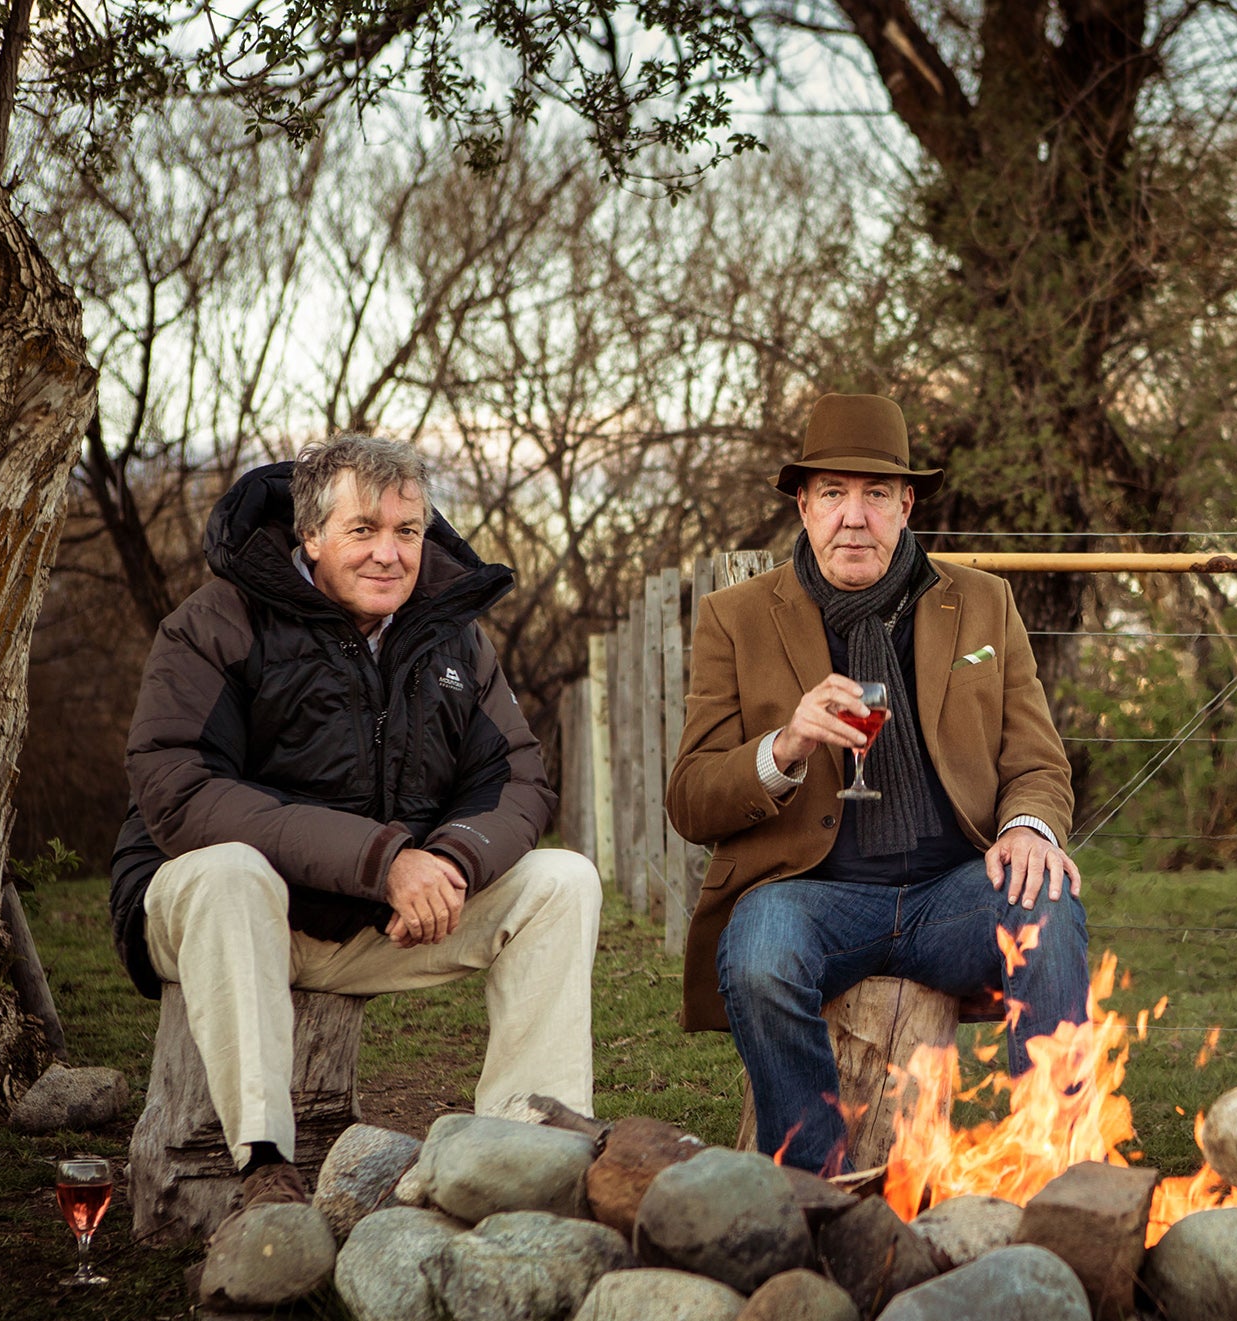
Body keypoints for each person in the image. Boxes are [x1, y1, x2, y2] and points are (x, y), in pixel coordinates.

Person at [109, 434, 600, 1206]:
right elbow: (179, 787)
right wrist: (383, 861)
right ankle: (264, 1167)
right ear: (311, 535)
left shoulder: (452, 636)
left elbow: (519, 780)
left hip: (374, 925)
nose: (389, 554)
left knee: (562, 880)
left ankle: (531, 1155)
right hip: (218, 916)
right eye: (363, 530)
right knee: (232, 873)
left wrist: (448, 866)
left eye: (407, 531)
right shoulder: (216, 622)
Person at [666, 393, 1088, 1175]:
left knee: (1049, 901)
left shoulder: (983, 604)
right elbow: (690, 796)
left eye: (874, 495)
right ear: (802, 504)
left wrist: (1028, 827)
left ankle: (1053, 1172)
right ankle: (814, 1184)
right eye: (832, 494)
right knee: (758, 952)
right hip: (811, 897)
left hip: (954, 891)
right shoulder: (737, 618)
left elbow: (1037, 760)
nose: (852, 518)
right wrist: (785, 747)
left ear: (906, 505)